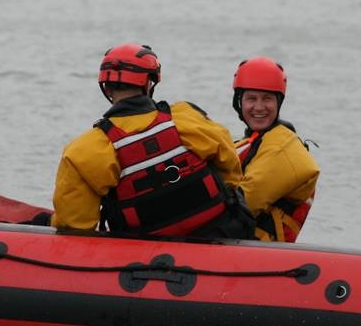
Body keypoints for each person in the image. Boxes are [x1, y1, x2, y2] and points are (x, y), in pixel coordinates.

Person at [50, 44, 251, 239]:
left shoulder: (84, 151)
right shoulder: (187, 119)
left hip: (140, 259)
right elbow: (231, 171)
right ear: (148, 84)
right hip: (219, 236)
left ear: (107, 89)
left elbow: (75, 225)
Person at [231, 57, 319, 242]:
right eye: (251, 99)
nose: (259, 107)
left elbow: (242, 207)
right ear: (239, 102)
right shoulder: (252, 142)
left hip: (260, 255)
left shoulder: (283, 147)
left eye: (267, 99)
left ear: (279, 103)